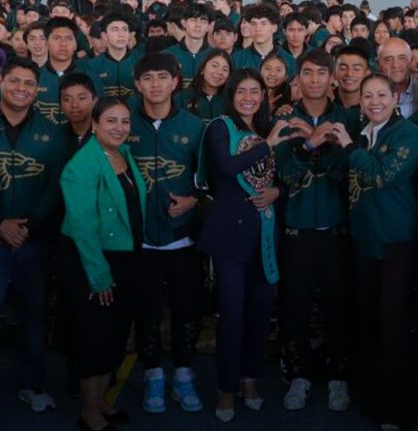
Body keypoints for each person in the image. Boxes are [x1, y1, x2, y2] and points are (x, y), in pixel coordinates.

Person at [0, 58, 72, 417]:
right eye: (15, 81)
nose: (22, 88)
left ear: (38, 90)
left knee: (34, 317)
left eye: (29, 84)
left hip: (33, 242)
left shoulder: (52, 131)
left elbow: (56, 187)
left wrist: (29, 226)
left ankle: (32, 384)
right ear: (0, 81)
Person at [196, 69, 299, 423]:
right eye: (242, 91)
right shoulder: (221, 127)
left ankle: (250, 381)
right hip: (230, 238)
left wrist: (276, 192)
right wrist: (268, 144)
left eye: (256, 91)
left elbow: (281, 179)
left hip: (264, 235)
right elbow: (225, 168)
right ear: (231, 94)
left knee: (259, 314)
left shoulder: (265, 128)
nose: (249, 98)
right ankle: (226, 389)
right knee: (232, 316)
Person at [332, 73, 418, 430]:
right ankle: (373, 399)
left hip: (396, 242)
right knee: (368, 322)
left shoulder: (407, 133)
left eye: (381, 95)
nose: (374, 102)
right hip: (365, 240)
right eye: (367, 96)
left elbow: (383, 175)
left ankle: (395, 410)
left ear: (395, 98)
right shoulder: (362, 133)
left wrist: (349, 150)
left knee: (393, 327)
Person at [273, 50, 356, 412]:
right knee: (295, 306)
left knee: (339, 306)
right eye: (307, 73)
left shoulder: (348, 118)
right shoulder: (285, 119)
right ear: (298, 78)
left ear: (332, 78)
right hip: (296, 230)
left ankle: (339, 377)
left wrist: (331, 142)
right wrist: (308, 144)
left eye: (323, 73)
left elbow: (349, 171)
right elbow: (285, 173)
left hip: (337, 231)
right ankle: (299, 375)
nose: (316, 80)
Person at [127, 54, 207, 415]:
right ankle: (154, 374)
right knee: (145, 311)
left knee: (186, 309)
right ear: (137, 83)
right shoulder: (122, 121)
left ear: (176, 82)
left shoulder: (196, 127)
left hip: (181, 239)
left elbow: (210, 181)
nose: (156, 84)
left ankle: (184, 373)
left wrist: (193, 201)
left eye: (163, 77)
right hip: (138, 238)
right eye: (148, 77)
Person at [60, 97, 145, 431]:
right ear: (94, 124)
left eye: (124, 121)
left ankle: (101, 402)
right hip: (92, 261)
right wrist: (98, 276)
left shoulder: (122, 154)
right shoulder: (82, 164)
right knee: (93, 336)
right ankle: (89, 411)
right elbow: (83, 226)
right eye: (111, 121)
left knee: (114, 333)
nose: (119, 128)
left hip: (125, 257)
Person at [173, 49, 232, 124]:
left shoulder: (231, 101)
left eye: (225, 69)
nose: (219, 72)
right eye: (214, 66)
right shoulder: (181, 99)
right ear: (203, 69)